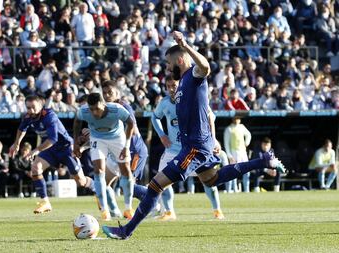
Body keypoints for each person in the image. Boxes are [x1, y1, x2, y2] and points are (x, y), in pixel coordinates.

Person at [102, 31, 285, 240]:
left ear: (181, 60)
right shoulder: (181, 84)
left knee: (155, 185)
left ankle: (126, 230)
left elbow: (206, 67)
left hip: (195, 148)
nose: (168, 69)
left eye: (170, 65)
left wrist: (186, 45)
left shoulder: (194, 76)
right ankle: (263, 161)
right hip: (195, 144)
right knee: (212, 179)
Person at [149, 75, 225, 220]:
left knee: (209, 180)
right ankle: (169, 212)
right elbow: (155, 117)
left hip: (194, 149)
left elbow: (210, 117)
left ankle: (217, 210)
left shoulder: (192, 98)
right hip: (173, 150)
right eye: (168, 86)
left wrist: (213, 139)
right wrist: (162, 135)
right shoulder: (164, 103)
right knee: (160, 180)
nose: (172, 89)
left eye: (174, 85)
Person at [9, 95, 95, 214]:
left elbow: (52, 139)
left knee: (80, 182)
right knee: (35, 168)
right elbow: (21, 128)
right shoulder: (28, 116)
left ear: (41, 104)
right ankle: (45, 202)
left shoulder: (49, 116)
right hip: (49, 150)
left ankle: (96, 187)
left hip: (65, 148)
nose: (30, 110)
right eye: (28, 107)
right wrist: (16, 144)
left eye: (33, 107)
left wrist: (36, 150)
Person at [73, 92, 135, 221]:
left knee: (126, 170)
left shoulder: (116, 109)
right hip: (97, 138)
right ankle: (104, 210)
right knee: (98, 170)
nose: (95, 112)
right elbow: (77, 121)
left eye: (97, 108)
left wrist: (127, 146)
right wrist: (75, 143)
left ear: (104, 104)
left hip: (117, 138)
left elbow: (130, 123)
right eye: (92, 109)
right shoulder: (84, 111)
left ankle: (128, 208)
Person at [102, 80, 149, 218]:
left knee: (127, 187)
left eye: (110, 92)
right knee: (102, 184)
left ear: (118, 93)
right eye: (104, 93)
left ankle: (153, 202)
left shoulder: (123, 106)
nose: (106, 95)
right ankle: (114, 212)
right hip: (118, 153)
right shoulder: (105, 110)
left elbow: (132, 129)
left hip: (134, 151)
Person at [223, 116, 252, 193]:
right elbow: (226, 143)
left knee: (246, 171)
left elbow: (248, 135)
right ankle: (233, 189)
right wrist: (229, 155)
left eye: (238, 118)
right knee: (234, 172)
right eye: (235, 118)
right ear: (232, 119)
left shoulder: (242, 127)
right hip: (234, 153)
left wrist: (246, 142)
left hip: (243, 152)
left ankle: (246, 189)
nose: (236, 120)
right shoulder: (228, 129)